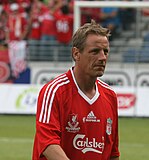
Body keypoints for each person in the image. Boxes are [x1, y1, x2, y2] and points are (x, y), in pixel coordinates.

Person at [32, 19, 120, 160]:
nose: (103, 57)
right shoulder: (54, 91)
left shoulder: (110, 96)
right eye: (95, 51)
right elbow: (48, 144)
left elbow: (113, 153)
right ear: (76, 54)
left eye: (105, 51)